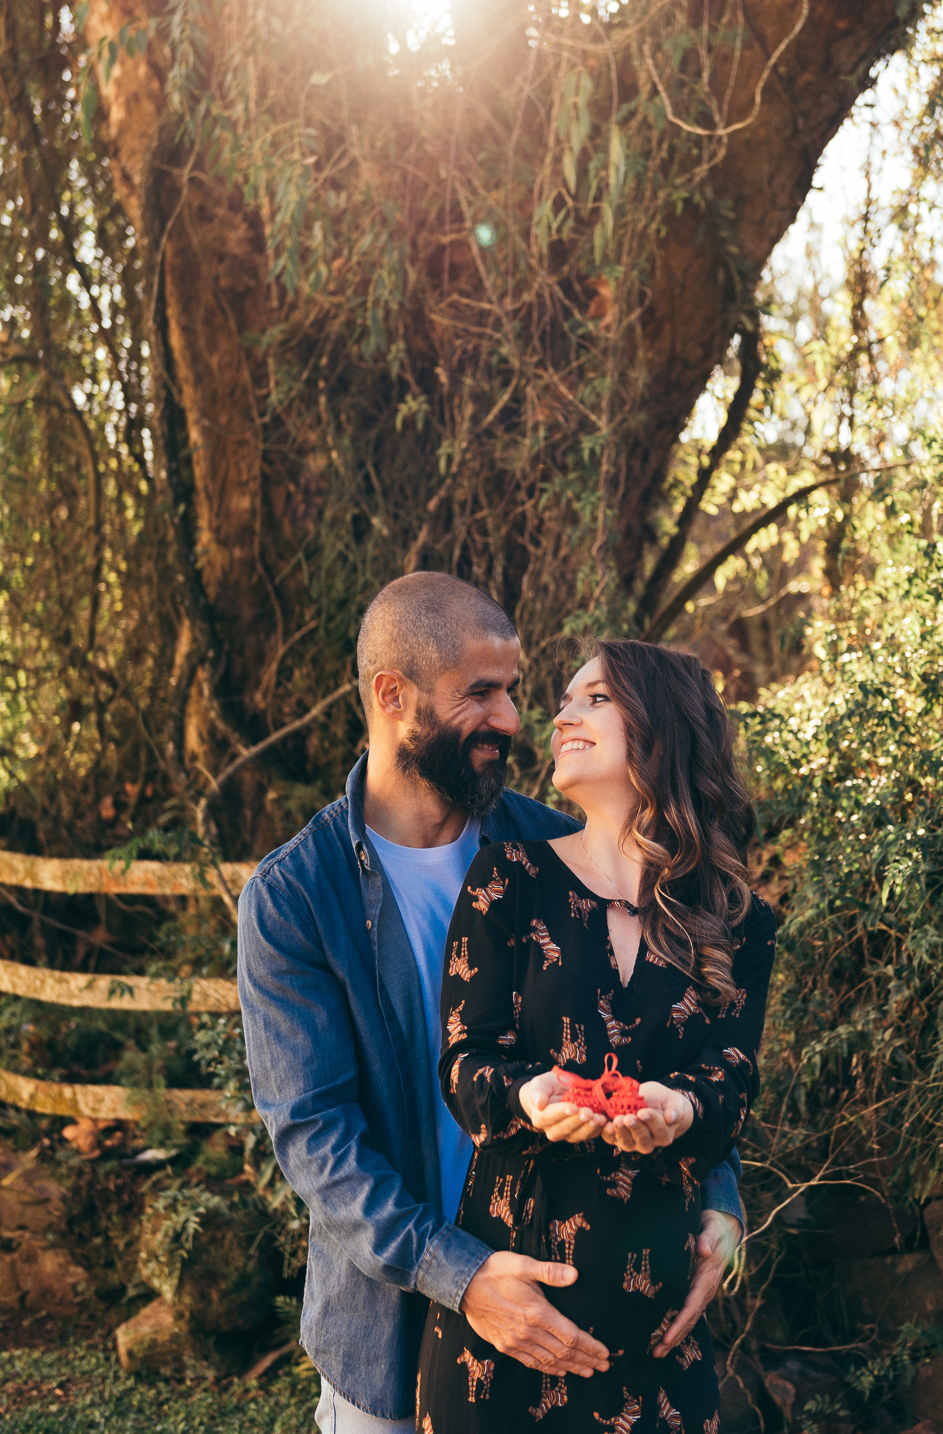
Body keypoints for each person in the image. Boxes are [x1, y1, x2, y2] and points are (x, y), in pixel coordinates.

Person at [236, 574, 745, 1433]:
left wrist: (717, 1200)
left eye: (512, 690)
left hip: (576, 1304)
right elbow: (315, 1136)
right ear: (392, 696)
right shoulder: (297, 896)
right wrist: (462, 1276)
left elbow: (677, 1050)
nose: (511, 720)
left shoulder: (559, 846)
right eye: (480, 693)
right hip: (390, 1333)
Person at [415, 638, 777, 1433]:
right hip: (508, 1320)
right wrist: (529, 1095)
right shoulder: (506, 879)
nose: (560, 716)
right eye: (564, 701)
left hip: (658, 1336)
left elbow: (732, 1081)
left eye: (595, 698)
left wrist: (681, 1110)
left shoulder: (739, 920)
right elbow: (464, 1066)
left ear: (662, 726)